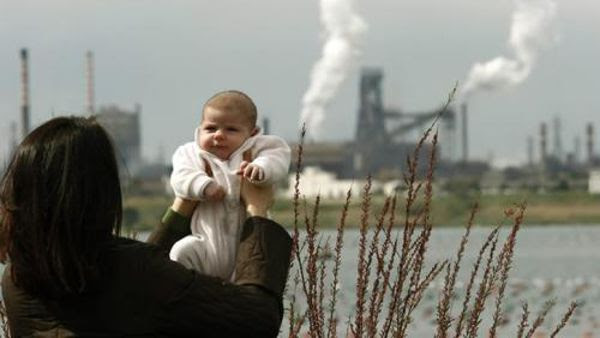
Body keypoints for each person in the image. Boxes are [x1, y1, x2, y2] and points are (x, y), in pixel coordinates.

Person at [0, 116, 292, 337]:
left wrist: (182, 207)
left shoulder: (19, 279)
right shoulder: (133, 272)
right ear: (101, 193)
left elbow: (128, 290)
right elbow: (257, 319)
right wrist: (258, 212)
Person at [169, 89, 291, 279]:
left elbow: (279, 157)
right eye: (210, 129)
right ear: (198, 130)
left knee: (251, 269)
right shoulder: (191, 154)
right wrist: (203, 186)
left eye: (231, 129)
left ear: (252, 134)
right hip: (206, 245)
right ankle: (189, 288)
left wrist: (260, 168)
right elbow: (180, 178)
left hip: (243, 245)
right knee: (180, 251)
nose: (218, 135)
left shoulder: (257, 148)